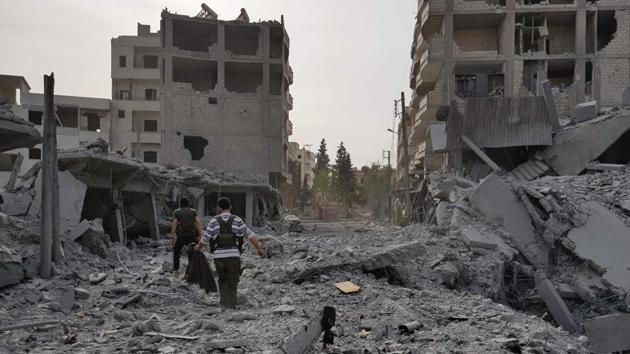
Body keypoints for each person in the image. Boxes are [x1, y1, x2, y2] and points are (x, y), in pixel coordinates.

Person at [194, 197, 266, 309]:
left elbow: (204, 239)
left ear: (219, 208)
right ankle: (231, 307)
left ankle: (224, 305)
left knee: (222, 280)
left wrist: (198, 247)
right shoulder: (237, 220)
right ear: (230, 207)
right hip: (233, 257)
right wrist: (259, 249)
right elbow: (251, 236)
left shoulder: (214, 221)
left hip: (219, 258)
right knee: (233, 282)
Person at [171, 197, 203, 275]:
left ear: (180, 203)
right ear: (188, 204)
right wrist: (200, 234)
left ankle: (176, 270)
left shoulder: (177, 212)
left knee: (176, 252)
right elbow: (198, 222)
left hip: (181, 236)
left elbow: (174, 223)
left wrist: (173, 236)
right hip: (192, 235)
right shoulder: (193, 211)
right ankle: (192, 270)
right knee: (193, 252)